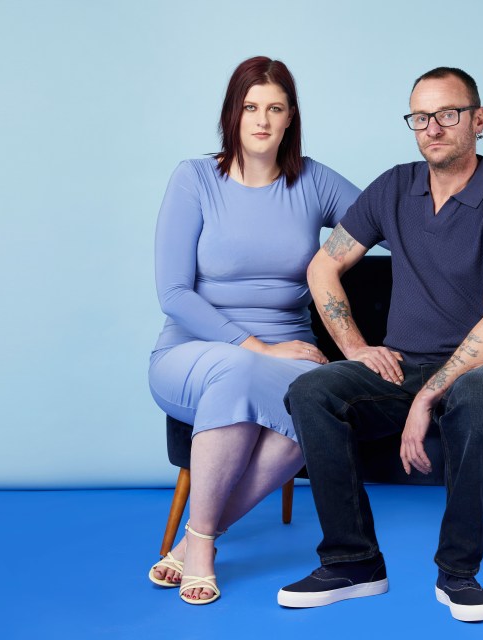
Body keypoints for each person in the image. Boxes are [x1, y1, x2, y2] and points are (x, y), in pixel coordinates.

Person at [277, 67, 483, 622]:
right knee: (312, 392)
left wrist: (427, 399)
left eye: (447, 114)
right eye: (421, 117)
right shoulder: (394, 186)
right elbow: (323, 266)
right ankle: (354, 562)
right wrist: (353, 346)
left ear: (478, 120)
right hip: (402, 365)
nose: (432, 128)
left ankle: (457, 574)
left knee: (482, 392)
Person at [147, 56, 360, 605]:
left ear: (291, 118)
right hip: (191, 354)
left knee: (318, 400)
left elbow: (395, 226)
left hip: (286, 352)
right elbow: (174, 294)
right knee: (241, 368)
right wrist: (255, 346)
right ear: (232, 114)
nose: (261, 120)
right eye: (250, 107)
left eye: (275, 108)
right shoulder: (194, 179)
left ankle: (198, 539)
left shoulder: (314, 181)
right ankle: (199, 547)